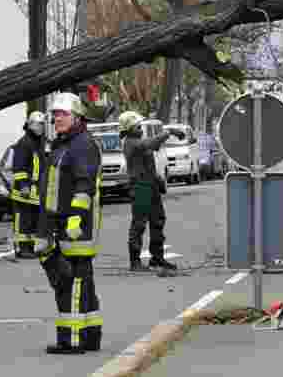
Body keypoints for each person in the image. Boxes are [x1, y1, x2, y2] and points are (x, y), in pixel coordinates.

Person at [35, 93, 103, 354]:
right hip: (62, 224)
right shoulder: (63, 145)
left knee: (72, 281)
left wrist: (75, 218)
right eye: (55, 115)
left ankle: (72, 339)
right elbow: (53, 191)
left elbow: (84, 185)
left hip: (77, 226)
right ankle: (90, 335)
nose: (56, 119)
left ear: (76, 117)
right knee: (82, 281)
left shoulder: (82, 145)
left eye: (62, 114)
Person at [119, 110, 185, 272]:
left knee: (158, 221)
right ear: (130, 127)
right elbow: (150, 144)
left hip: (150, 185)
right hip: (140, 187)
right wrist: (168, 132)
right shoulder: (130, 142)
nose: (140, 127)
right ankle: (135, 262)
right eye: (137, 125)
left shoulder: (138, 140)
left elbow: (150, 154)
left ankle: (157, 258)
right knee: (139, 224)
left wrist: (158, 180)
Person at [10, 111, 48, 259]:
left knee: (33, 220)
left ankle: (30, 247)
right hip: (23, 191)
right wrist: (24, 185)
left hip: (35, 191)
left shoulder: (37, 143)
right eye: (39, 124)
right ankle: (22, 248)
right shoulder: (24, 143)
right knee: (23, 220)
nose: (41, 128)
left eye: (43, 125)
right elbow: (19, 167)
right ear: (31, 125)